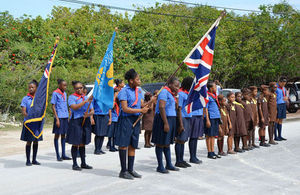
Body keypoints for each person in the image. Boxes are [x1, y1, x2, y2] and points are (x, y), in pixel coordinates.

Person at [115, 69, 149, 179]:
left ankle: (131, 169)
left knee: (132, 145)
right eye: (137, 79)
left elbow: (142, 105)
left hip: (136, 120)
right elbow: (124, 109)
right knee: (124, 144)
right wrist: (140, 111)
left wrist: (152, 101)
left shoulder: (139, 91)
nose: (139, 81)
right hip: (126, 120)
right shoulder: (124, 91)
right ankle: (123, 171)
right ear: (131, 81)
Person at [152, 77, 180, 173]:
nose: (177, 88)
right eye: (176, 86)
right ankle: (160, 166)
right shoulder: (164, 92)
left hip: (171, 118)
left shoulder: (172, 94)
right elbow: (161, 107)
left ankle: (169, 164)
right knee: (160, 143)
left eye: (178, 86)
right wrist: (166, 123)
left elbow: (175, 107)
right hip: (163, 119)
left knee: (167, 143)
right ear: (170, 84)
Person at [67, 81, 94, 171]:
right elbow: (74, 107)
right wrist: (85, 101)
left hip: (85, 120)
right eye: (77, 88)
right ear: (74, 89)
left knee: (83, 142)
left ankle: (83, 163)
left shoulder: (86, 97)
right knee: (76, 142)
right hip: (76, 121)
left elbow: (92, 110)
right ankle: (74, 164)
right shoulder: (71, 97)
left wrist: (89, 114)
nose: (79, 90)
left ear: (83, 88)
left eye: (80, 88)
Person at [20, 80, 42, 166]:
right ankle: (28, 160)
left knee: (36, 141)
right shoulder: (25, 99)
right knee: (29, 141)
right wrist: (29, 117)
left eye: (32, 87)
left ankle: (34, 159)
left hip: (37, 123)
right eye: (29, 87)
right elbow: (24, 112)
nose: (31, 89)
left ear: (36, 88)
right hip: (29, 123)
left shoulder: (39, 99)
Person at [51, 79, 71, 161]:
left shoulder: (65, 93)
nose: (65, 87)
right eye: (64, 85)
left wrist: (68, 116)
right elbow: (53, 106)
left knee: (64, 135)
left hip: (65, 116)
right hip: (59, 117)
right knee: (57, 135)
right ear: (59, 85)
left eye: (66, 85)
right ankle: (57, 155)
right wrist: (57, 119)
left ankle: (63, 154)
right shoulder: (55, 93)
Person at [175, 76, 193, 168]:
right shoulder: (181, 94)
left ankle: (181, 159)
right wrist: (180, 123)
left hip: (188, 117)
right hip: (183, 118)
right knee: (180, 139)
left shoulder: (187, 93)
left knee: (184, 140)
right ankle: (178, 160)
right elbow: (179, 108)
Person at [204, 81, 221, 159]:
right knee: (209, 135)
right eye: (214, 87)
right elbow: (206, 108)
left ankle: (213, 151)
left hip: (215, 117)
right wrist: (207, 119)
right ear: (210, 88)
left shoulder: (214, 95)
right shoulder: (207, 96)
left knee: (213, 135)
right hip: (210, 117)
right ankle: (209, 152)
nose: (215, 88)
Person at [275, 77, 288, 141]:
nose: (283, 84)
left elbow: (285, 95)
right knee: (276, 120)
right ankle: (275, 136)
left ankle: (280, 135)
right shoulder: (276, 88)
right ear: (279, 82)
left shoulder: (284, 88)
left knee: (281, 120)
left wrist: (286, 98)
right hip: (278, 104)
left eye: (284, 83)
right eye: (282, 83)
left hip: (283, 104)